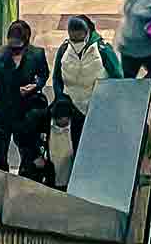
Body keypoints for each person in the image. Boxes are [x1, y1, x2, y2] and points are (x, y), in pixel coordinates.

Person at [0, 20, 51, 175]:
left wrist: (35, 86)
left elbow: (44, 74)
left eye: (18, 46)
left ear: (26, 42)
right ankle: (0, 180)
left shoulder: (37, 54)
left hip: (26, 112)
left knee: (28, 151)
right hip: (3, 111)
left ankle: (24, 179)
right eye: (12, 46)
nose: (15, 50)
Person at [51, 14, 122, 150]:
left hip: (98, 106)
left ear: (88, 33)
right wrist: (60, 99)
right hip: (75, 107)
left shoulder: (103, 50)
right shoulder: (64, 49)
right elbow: (57, 77)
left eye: (80, 38)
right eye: (73, 39)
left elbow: (118, 77)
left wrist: (112, 104)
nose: (76, 42)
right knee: (77, 144)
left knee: (99, 144)